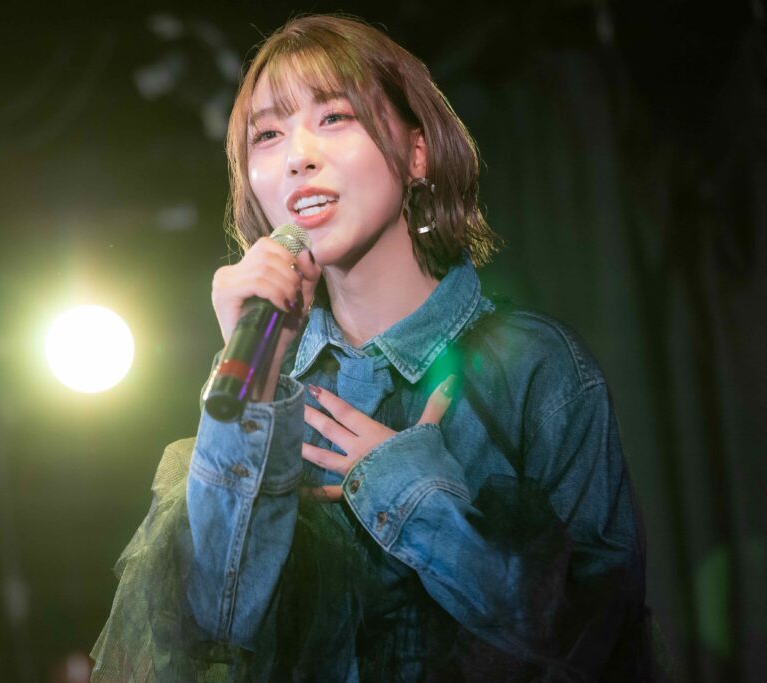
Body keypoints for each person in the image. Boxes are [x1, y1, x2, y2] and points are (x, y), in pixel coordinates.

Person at [90, 14, 652, 682]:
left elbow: (591, 637)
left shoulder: (536, 369)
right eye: (267, 135)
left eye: (334, 117)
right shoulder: (264, 384)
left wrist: (408, 489)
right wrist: (255, 391)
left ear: (417, 153)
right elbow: (213, 634)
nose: (297, 156)